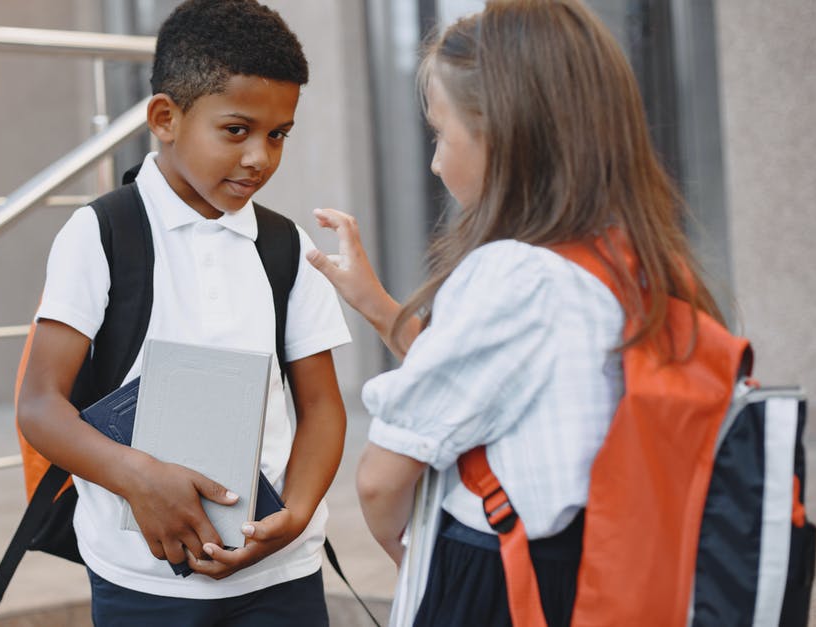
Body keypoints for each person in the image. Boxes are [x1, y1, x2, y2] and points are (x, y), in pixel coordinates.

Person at [305, 1, 728, 625]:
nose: (434, 161)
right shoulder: (629, 258)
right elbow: (487, 384)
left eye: (440, 134)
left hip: (505, 577)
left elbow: (380, 479)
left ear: (501, 136)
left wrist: (411, 557)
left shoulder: (515, 275)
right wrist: (375, 303)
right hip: (597, 565)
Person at [16, 1, 351, 625]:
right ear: (166, 118)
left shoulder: (286, 247)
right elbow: (40, 406)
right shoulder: (100, 235)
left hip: (283, 575)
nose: (260, 157)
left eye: (278, 135)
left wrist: (297, 514)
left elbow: (323, 407)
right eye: (236, 130)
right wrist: (137, 475)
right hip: (141, 581)